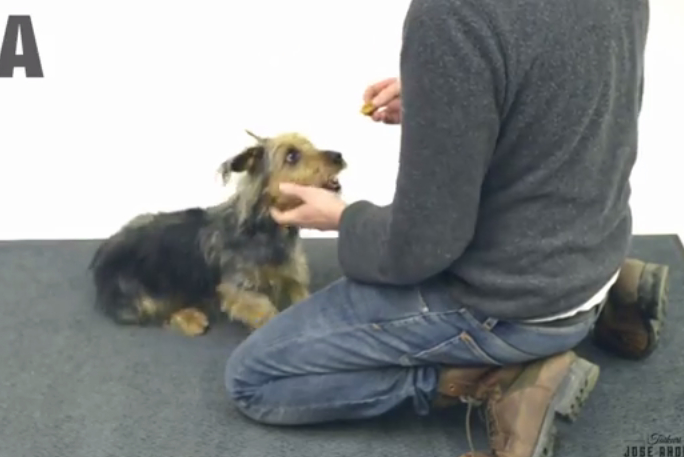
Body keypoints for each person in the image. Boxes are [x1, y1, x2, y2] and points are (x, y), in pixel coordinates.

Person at [224, 0, 664, 455]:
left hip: (517, 303)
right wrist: (452, 91)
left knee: (252, 379)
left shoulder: (453, 14)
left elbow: (419, 249)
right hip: (595, 253)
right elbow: (566, 86)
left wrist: (343, 219)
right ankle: (609, 291)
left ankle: (493, 380)